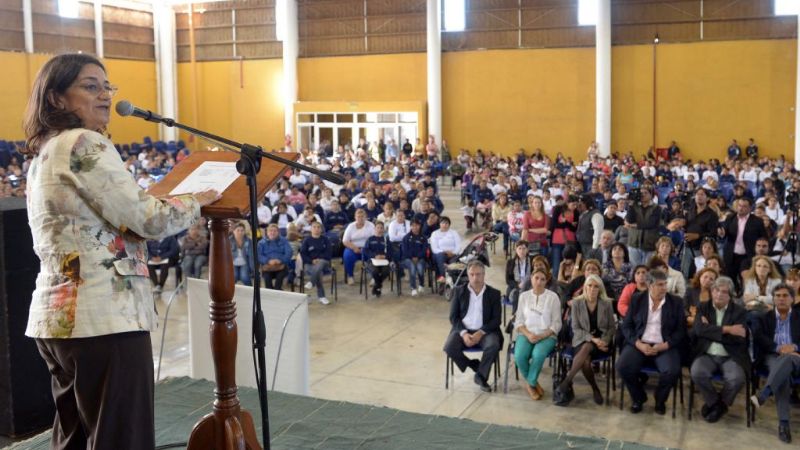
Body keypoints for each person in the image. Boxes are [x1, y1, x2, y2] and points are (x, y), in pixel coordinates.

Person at [22, 53, 220, 448]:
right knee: (120, 439)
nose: (105, 95)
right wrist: (198, 201)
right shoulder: (84, 143)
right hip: (104, 320)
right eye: (90, 86)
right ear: (57, 99)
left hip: (58, 320)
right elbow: (145, 219)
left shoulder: (46, 150)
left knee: (74, 439)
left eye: (107, 86)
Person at [618, 269, 686, 415]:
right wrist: (639, 344)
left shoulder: (676, 302)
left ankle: (660, 400)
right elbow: (627, 326)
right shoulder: (637, 299)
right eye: (660, 285)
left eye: (665, 284)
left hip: (664, 345)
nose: (664, 288)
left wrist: (665, 345)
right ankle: (638, 398)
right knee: (623, 367)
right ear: (649, 285)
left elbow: (681, 331)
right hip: (640, 344)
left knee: (671, 371)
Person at [690, 276, 749, 423]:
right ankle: (716, 403)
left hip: (731, 355)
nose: (719, 294)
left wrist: (710, 331)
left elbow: (739, 338)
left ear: (730, 295)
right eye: (716, 290)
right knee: (697, 372)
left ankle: (718, 405)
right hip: (706, 353)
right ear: (711, 291)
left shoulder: (739, 312)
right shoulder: (703, 307)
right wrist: (727, 329)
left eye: (724, 292)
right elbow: (698, 330)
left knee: (736, 379)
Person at [555, 274, 616, 406]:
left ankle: (565, 383)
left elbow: (611, 327)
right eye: (590, 286)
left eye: (596, 286)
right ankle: (595, 388)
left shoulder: (606, 304)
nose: (593, 289)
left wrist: (604, 341)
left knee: (587, 351)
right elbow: (576, 328)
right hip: (582, 339)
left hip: (602, 342)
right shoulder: (577, 303)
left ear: (600, 289)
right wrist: (593, 340)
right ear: (585, 287)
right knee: (586, 360)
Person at [751, 283, 800, 444]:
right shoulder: (763, 317)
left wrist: (795, 347)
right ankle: (783, 424)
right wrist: (779, 348)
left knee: (788, 360)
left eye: (785, 295)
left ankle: (764, 393)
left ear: (792, 299)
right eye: (777, 296)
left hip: (797, 357)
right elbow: (758, 337)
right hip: (773, 356)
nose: (781, 299)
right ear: (773, 299)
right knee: (782, 376)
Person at [443, 261, 503, 392]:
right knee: (449, 347)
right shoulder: (458, 291)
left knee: (493, 345)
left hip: (485, 331)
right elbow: (454, 317)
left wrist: (480, 332)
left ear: (484, 275)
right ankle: (472, 364)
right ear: (468, 275)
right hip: (463, 329)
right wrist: (464, 333)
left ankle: (481, 376)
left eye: (478, 274)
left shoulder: (494, 294)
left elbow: (496, 320)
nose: (475, 278)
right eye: (472, 274)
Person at [514, 270, 562, 401]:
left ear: (546, 281)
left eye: (543, 279)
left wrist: (542, 336)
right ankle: (534, 382)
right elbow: (518, 321)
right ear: (531, 278)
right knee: (519, 356)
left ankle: (530, 384)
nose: (539, 282)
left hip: (547, 335)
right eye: (536, 278)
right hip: (526, 333)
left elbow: (557, 323)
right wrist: (528, 334)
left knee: (538, 355)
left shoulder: (553, 297)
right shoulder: (523, 296)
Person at [719, 196, 768, 290]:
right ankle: (734, 294)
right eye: (739, 205)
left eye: (744, 206)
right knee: (730, 280)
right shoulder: (730, 217)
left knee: (746, 281)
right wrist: (722, 233)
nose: (741, 208)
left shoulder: (757, 221)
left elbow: (763, 238)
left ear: (750, 208)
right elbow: (724, 233)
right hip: (731, 255)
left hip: (748, 256)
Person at [624, 186, 661, 266]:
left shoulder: (656, 208)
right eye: (641, 193)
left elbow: (651, 223)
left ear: (651, 195)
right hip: (634, 243)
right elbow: (630, 220)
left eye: (646, 193)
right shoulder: (634, 206)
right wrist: (630, 205)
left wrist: (636, 225)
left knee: (648, 270)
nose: (643, 195)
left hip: (650, 244)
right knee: (635, 270)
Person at [300, 222, 332, 305]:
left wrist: (319, 259)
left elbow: (329, 252)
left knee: (320, 264)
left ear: (321, 229)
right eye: (314, 227)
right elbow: (303, 254)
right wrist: (311, 261)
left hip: (324, 262)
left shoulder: (325, 239)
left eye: (318, 227)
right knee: (318, 272)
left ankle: (311, 282)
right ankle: (321, 297)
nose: (316, 229)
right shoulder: (306, 240)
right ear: (311, 229)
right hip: (310, 264)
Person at [342, 208, 376, 285]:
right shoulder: (351, 226)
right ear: (355, 217)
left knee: (374, 256)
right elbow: (345, 241)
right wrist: (354, 248)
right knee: (347, 256)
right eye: (358, 216)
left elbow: (374, 238)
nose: (360, 218)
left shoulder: (370, 225)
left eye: (362, 216)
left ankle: (374, 277)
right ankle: (350, 276)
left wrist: (367, 248)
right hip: (353, 248)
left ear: (365, 217)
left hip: (367, 248)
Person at [257, 224, 293, 290]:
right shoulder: (261, 243)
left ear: (278, 232)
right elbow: (258, 255)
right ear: (267, 232)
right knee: (267, 279)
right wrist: (268, 261)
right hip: (267, 267)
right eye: (270, 231)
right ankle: (270, 294)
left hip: (282, 266)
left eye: (275, 231)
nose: (272, 233)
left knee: (279, 278)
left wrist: (280, 260)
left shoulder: (284, 241)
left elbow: (289, 252)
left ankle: (277, 291)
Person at [363, 221, 393, 297]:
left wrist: (385, 256)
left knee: (386, 272)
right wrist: (374, 256)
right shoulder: (370, 239)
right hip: (372, 260)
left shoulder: (386, 240)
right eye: (378, 228)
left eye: (381, 228)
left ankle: (376, 286)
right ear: (375, 229)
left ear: (384, 229)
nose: (379, 229)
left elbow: (390, 252)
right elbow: (365, 251)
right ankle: (378, 287)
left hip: (384, 261)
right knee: (375, 272)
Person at [401, 220, 429, 297]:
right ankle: (413, 288)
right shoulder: (406, 238)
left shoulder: (423, 238)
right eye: (413, 225)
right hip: (408, 259)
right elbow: (404, 250)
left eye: (417, 225)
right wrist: (412, 257)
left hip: (420, 258)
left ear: (420, 226)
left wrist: (418, 257)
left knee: (420, 268)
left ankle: (421, 284)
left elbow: (424, 250)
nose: (415, 227)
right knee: (412, 268)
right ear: (410, 226)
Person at [430, 216, 461, 282]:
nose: (444, 225)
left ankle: (452, 280)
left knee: (455, 262)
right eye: (443, 223)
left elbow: (458, 245)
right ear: (439, 224)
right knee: (440, 256)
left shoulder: (454, 233)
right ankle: (443, 277)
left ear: (449, 224)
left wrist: (453, 253)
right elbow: (434, 249)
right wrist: (444, 252)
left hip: (453, 254)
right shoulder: (435, 233)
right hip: (439, 254)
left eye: (446, 223)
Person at [505, 240, 533, 304]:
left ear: (527, 250)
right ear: (516, 249)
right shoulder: (510, 262)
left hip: (529, 286)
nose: (521, 251)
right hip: (515, 287)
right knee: (516, 295)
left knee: (528, 296)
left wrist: (526, 284)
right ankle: (515, 312)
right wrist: (518, 285)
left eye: (524, 248)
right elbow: (508, 280)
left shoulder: (532, 261)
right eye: (519, 248)